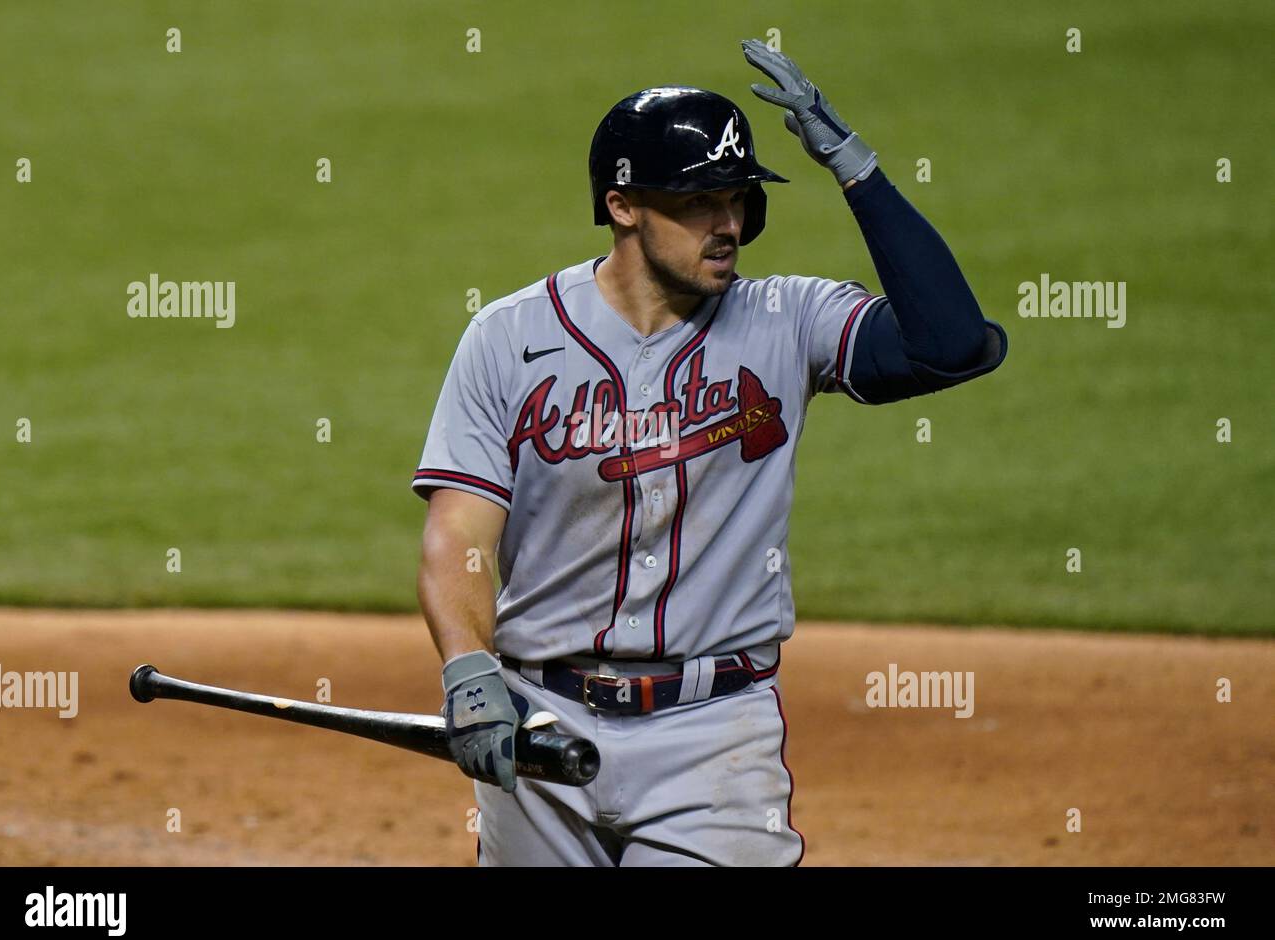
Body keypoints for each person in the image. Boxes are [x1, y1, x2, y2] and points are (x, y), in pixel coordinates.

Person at [413, 39, 1007, 866]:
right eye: (699, 203)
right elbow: (461, 535)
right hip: (540, 725)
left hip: (713, 737)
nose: (729, 225)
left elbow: (952, 344)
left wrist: (858, 173)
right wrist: (470, 670)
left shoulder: (789, 321)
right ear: (624, 206)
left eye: (738, 200)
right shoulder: (509, 338)